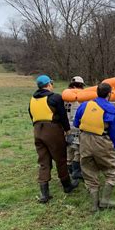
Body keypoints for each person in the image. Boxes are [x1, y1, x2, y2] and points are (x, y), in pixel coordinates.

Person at [28, 75, 78, 203]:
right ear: (49, 84)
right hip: (52, 131)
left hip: (37, 131)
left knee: (43, 161)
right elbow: (63, 116)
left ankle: (44, 194)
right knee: (60, 158)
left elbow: (31, 114)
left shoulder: (32, 99)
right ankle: (67, 186)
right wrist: (68, 132)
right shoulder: (55, 97)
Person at [74, 83, 115, 212]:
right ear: (109, 94)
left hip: (84, 140)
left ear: (97, 92)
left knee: (89, 171)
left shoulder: (84, 105)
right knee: (113, 170)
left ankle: (94, 205)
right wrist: (112, 146)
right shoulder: (111, 110)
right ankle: (105, 200)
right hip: (102, 140)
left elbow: (76, 123)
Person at [64, 76, 85, 183]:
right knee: (78, 150)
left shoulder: (65, 96)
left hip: (66, 128)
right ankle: (76, 173)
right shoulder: (82, 98)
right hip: (78, 127)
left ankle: (69, 171)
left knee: (69, 149)